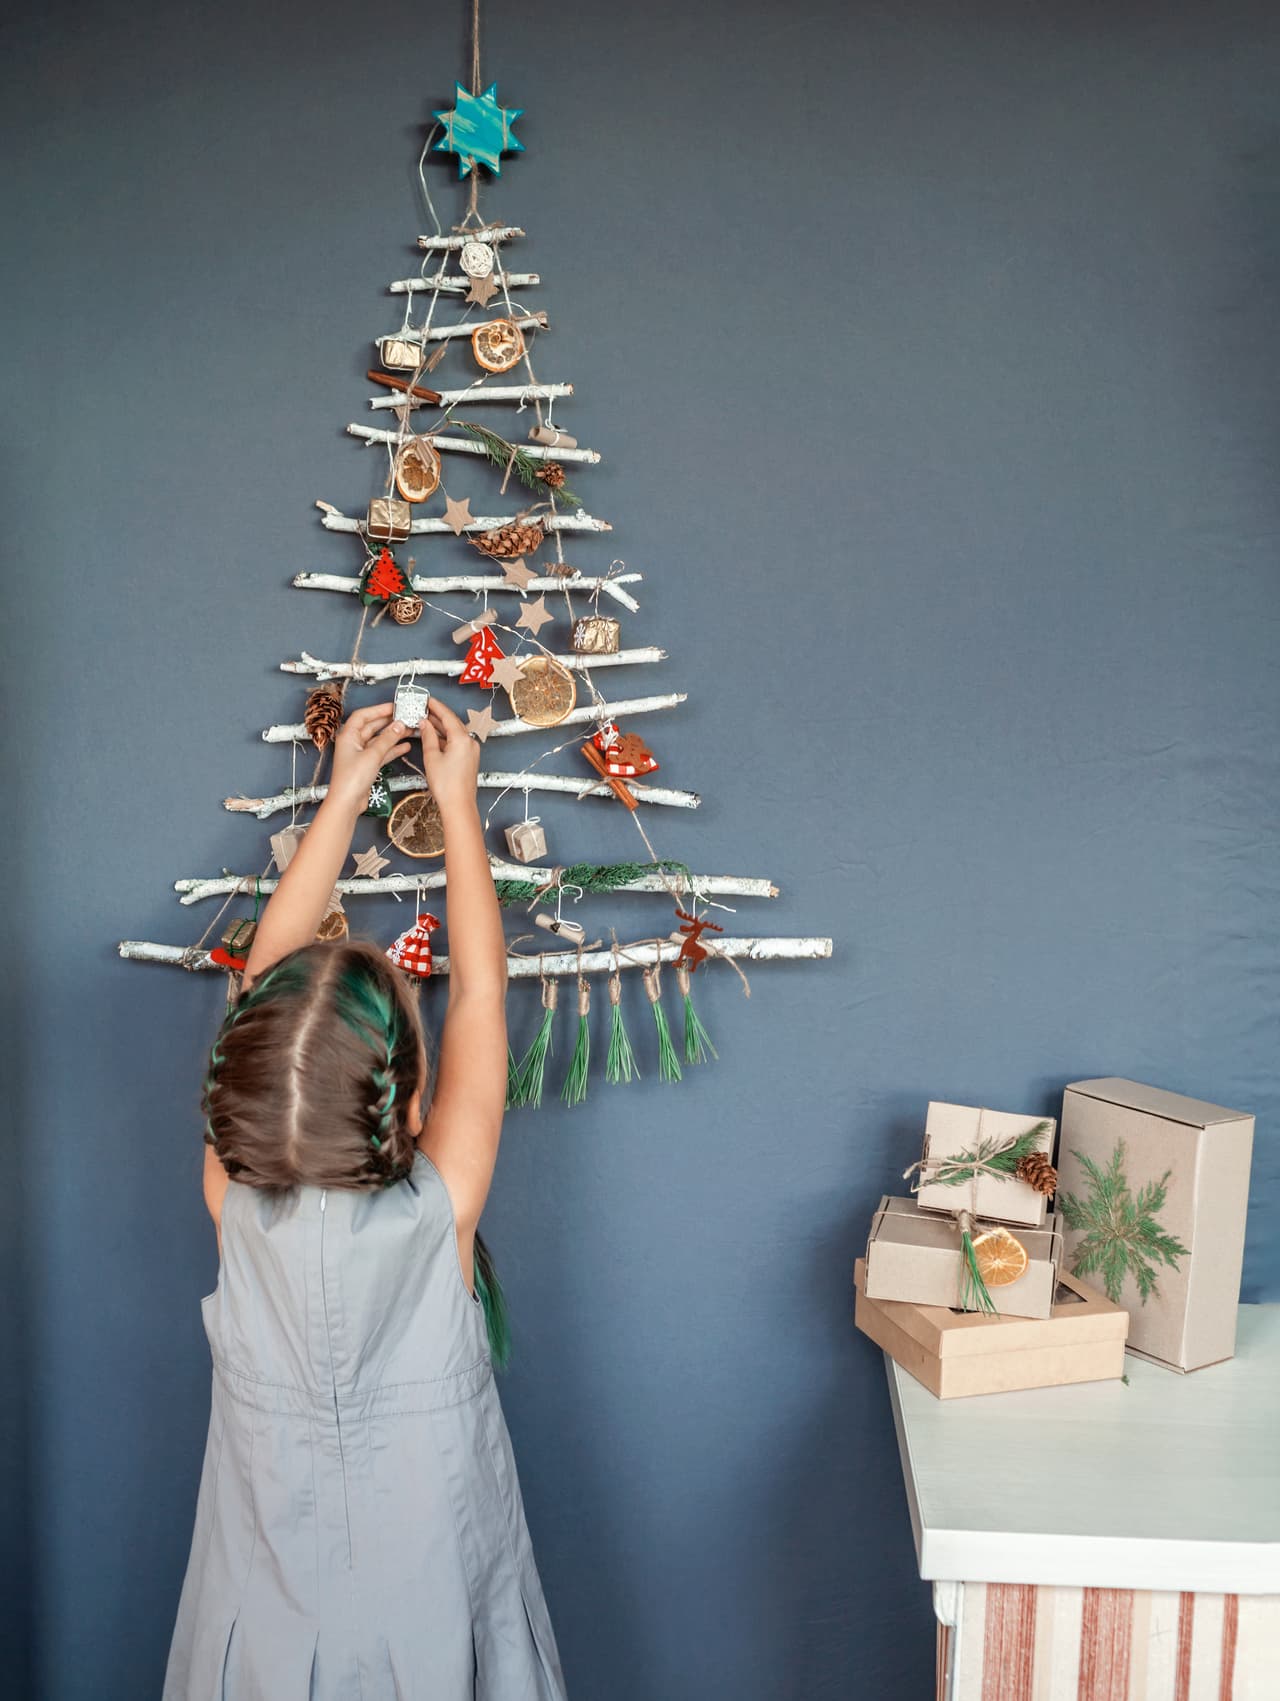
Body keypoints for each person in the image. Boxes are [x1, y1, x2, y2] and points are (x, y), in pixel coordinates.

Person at [163, 697, 568, 1700]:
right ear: (406, 1092)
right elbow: (480, 993)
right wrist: (457, 803)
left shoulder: (232, 1199)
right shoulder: (443, 1206)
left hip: (260, 1625)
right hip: (434, 1618)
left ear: (240, 1090)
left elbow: (257, 990)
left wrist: (342, 795)